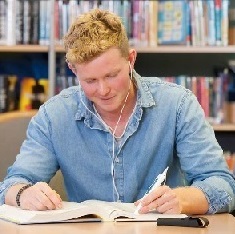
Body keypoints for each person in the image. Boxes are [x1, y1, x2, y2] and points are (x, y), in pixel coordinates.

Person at [0, 8, 235, 214]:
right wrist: (24, 194)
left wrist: (181, 200)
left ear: (131, 59)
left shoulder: (178, 105)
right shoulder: (54, 116)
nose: (103, 90)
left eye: (112, 75)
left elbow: (223, 186)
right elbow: (11, 186)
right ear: (73, 69)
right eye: (90, 80)